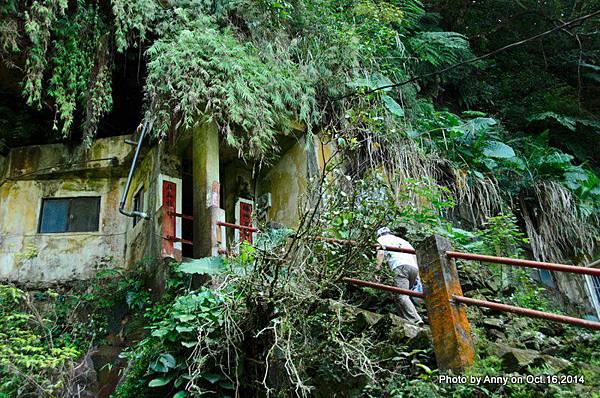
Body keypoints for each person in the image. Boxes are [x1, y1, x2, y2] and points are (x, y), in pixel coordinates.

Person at [376, 227, 423, 325]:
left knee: (402, 295)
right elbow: (414, 255)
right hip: (413, 268)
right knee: (399, 295)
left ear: (379, 235)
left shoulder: (381, 240)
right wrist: (418, 274)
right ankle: (405, 320)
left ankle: (416, 320)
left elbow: (381, 253)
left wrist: (377, 269)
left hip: (400, 267)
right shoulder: (403, 241)